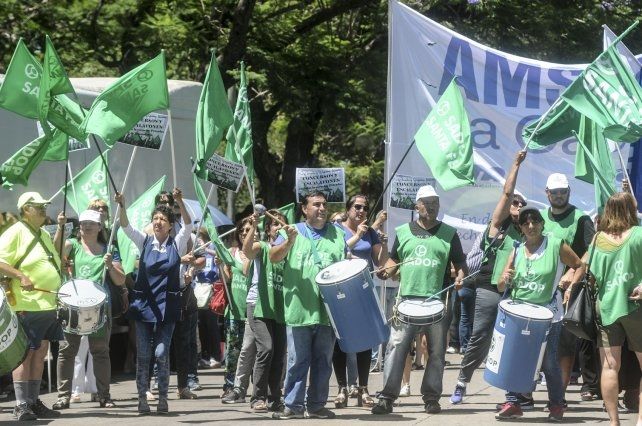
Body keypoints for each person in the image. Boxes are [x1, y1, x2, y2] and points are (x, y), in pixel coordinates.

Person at [372, 185, 467, 415]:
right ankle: (386, 397)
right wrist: (386, 271)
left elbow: (460, 264)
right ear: (417, 206)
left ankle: (432, 398)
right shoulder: (403, 231)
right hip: (406, 300)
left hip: (437, 302)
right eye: (427, 202)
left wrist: (461, 277)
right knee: (396, 350)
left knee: (436, 354)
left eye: (435, 202)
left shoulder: (449, 233)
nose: (432, 206)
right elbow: (394, 261)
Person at [450, 151, 526, 404]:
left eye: (520, 204)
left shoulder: (530, 233)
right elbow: (506, 193)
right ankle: (462, 381)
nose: (515, 205)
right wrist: (515, 164)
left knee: (513, 339)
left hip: (517, 291)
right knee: (481, 334)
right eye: (513, 203)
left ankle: (513, 392)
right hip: (489, 287)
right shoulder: (496, 227)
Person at [496, 206, 584, 421]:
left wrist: (571, 285)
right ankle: (513, 402)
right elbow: (500, 286)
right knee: (514, 357)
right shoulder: (516, 248)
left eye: (535, 221)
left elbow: (579, 264)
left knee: (548, 362)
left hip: (548, 314)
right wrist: (505, 277)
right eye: (526, 223)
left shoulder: (555, 244)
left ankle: (556, 404)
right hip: (519, 313)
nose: (531, 226)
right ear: (521, 228)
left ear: (543, 224)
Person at [269, 191, 347, 419]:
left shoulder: (338, 234)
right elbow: (273, 256)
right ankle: (293, 406)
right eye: (316, 204)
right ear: (304, 208)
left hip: (328, 311)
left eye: (324, 204)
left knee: (323, 361)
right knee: (297, 360)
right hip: (299, 309)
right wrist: (289, 242)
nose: (322, 208)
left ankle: (316, 405)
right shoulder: (291, 230)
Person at [115, 188, 192, 415]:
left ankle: (163, 398)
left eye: (163, 219)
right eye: (155, 218)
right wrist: (122, 205)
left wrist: (179, 201)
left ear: (170, 225)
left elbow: (188, 225)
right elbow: (126, 227)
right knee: (144, 355)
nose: (158, 222)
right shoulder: (145, 241)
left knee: (161, 353)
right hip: (144, 306)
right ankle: (142, 399)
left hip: (167, 307)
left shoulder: (176, 244)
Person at [52, 209, 126, 410]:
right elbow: (55, 253)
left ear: (100, 227)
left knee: (100, 352)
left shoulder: (108, 249)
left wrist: (110, 265)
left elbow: (120, 280)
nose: (86, 226)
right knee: (67, 351)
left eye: (91, 223)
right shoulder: (73, 245)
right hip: (73, 307)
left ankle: (104, 395)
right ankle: (63, 396)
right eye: (83, 222)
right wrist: (60, 227)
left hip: (99, 308)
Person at [0, 192, 64, 420]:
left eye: (43, 205)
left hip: (47, 304)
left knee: (40, 354)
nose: (43, 209)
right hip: (26, 305)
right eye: (38, 206)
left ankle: (33, 400)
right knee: (25, 355)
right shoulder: (16, 231)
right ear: (26, 209)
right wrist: (20, 276)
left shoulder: (43, 233)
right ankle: (20, 404)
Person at [581, 192, 642, 426]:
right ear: (629, 209)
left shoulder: (598, 240)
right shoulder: (639, 234)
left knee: (609, 366)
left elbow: (592, 276)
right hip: (636, 306)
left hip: (606, 309)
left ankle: (613, 422)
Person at [541, 173, 598, 403]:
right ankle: (522, 394)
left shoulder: (580, 218)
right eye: (554, 192)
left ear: (569, 192)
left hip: (567, 291)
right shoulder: (538, 218)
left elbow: (591, 249)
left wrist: (573, 275)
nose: (559, 196)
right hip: (539, 289)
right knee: (537, 345)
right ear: (547, 193)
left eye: (562, 191)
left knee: (564, 346)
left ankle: (559, 396)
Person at [332, 195, 387, 408]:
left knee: (365, 341)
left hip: (364, 291)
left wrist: (383, 243)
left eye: (365, 207)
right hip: (341, 292)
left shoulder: (370, 232)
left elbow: (380, 263)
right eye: (357, 207)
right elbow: (336, 254)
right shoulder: (336, 230)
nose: (361, 211)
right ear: (348, 209)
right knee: (340, 342)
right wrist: (357, 236)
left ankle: (363, 389)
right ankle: (342, 389)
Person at [241, 209, 288, 412]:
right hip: (258, 305)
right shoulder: (263, 247)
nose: (279, 228)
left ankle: (274, 397)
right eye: (275, 224)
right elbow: (248, 251)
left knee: (278, 354)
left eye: (283, 224)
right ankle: (257, 397)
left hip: (280, 309)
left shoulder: (289, 252)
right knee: (266, 349)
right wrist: (252, 226)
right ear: (268, 230)